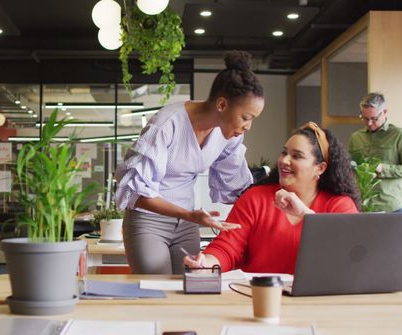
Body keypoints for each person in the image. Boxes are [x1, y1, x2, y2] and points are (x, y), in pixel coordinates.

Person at [115, 51, 265, 274]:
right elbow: (135, 194)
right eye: (246, 118)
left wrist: (272, 196)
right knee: (158, 291)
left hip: (187, 224)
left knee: (193, 284)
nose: (248, 127)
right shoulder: (167, 124)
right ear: (222, 105)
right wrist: (188, 215)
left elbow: (237, 186)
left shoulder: (229, 135)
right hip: (150, 222)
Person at [184, 122, 360, 274]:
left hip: (320, 304)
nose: (284, 160)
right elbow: (227, 248)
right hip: (257, 298)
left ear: (320, 168)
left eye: (297, 156)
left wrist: (304, 214)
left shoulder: (340, 205)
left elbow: (351, 254)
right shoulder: (255, 199)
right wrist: (205, 263)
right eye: (284, 153)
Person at [348, 92, 402, 212]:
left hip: (391, 208)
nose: (370, 123)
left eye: (374, 119)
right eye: (365, 119)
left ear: (385, 112)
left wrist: (384, 169)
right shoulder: (355, 138)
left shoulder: (399, 135)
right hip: (362, 207)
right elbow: (350, 170)